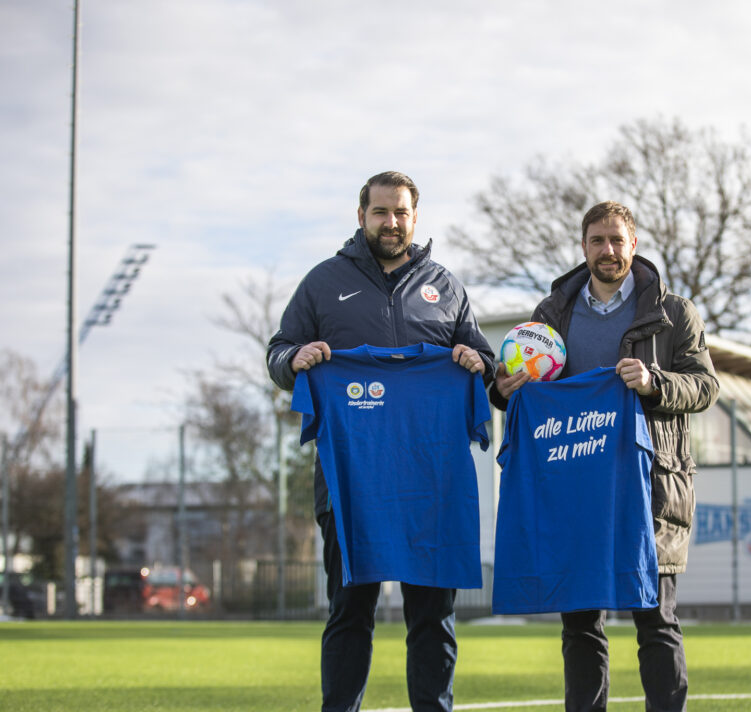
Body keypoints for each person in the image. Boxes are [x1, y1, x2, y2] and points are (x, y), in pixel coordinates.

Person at [267, 171, 494, 712]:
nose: (391, 223)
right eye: (380, 212)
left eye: (401, 213)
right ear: (361, 216)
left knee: (433, 616)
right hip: (350, 480)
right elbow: (279, 350)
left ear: (415, 218)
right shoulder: (323, 283)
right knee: (349, 611)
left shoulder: (447, 286)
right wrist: (292, 362)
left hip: (430, 482)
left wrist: (476, 362)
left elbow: (485, 360)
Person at [492, 200, 719, 712]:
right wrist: (503, 390)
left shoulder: (673, 312)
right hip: (574, 490)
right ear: (584, 247)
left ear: (633, 245)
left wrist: (654, 382)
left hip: (649, 486)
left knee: (656, 621)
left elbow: (706, 387)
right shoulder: (550, 317)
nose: (608, 250)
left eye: (617, 240)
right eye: (598, 240)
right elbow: (519, 391)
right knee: (580, 627)